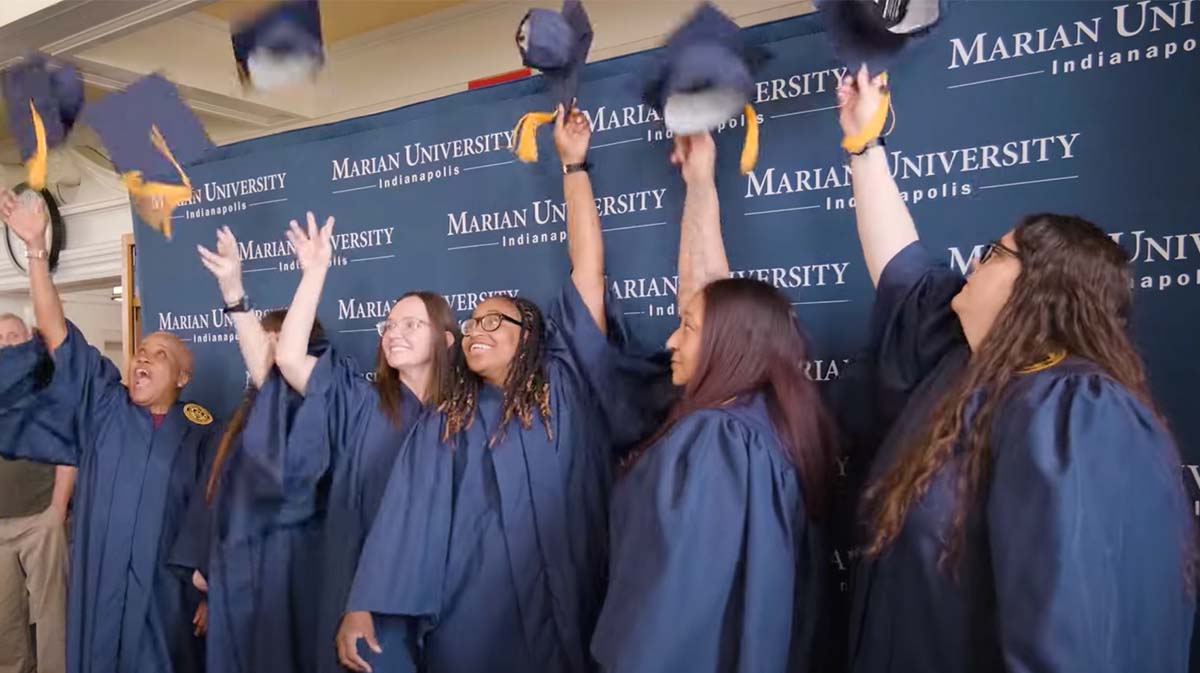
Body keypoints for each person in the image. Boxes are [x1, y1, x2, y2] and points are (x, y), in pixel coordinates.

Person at [837, 68, 1195, 673]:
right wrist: (863, 145)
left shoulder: (1075, 412)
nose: (973, 263)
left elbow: (1068, 632)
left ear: (1039, 289)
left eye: (994, 253)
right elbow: (902, 271)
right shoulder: (965, 363)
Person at [339, 106, 669, 673]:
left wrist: (574, 166)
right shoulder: (449, 420)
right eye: (470, 324)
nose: (476, 331)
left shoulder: (567, 383)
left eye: (495, 321)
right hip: (475, 616)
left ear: (532, 337)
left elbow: (588, 268)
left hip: (574, 596)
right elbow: (406, 516)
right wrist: (365, 603)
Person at [589, 131, 837, 673]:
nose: (671, 341)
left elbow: (672, 607)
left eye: (687, 329)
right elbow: (710, 297)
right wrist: (699, 186)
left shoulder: (716, 439)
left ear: (731, 345)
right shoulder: (769, 420)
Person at [0, 190, 217, 673]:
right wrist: (36, 249)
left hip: (165, 601)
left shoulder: (200, 433)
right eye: (141, 351)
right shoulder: (104, 403)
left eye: (160, 355)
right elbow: (55, 331)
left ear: (182, 378)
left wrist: (212, 592)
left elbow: (211, 516)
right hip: (100, 589)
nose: (143, 357)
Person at [268, 213, 459, 673]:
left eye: (412, 325)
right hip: (364, 592)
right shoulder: (360, 400)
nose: (395, 333)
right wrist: (314, 272)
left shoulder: (466, 416)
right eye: (390, 325)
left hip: (447, 595)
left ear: (446, 339)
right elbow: (291, 358)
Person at [168, 227, 329, 673]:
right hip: (238, 576)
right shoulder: (246, 418)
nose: (268, 350)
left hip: (291, 580)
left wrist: (236, 293)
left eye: (277, 340)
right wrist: (207, 569)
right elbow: (215, 497)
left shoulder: (323, 406)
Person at [0, 313, 75, 673]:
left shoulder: (48, 386)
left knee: (51, 616)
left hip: (40, 518)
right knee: (5, 618)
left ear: (28, 341)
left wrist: (57, 510)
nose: (5, 343)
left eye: (12, 336)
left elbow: (69, 450)